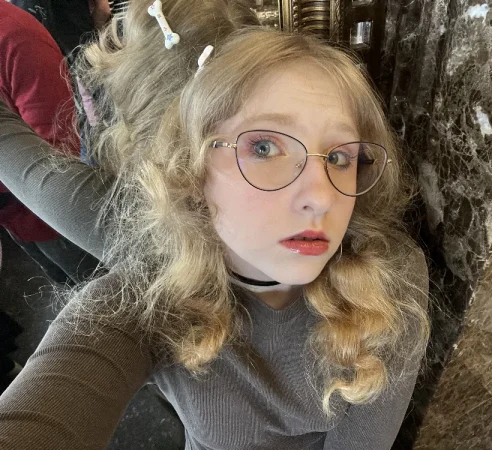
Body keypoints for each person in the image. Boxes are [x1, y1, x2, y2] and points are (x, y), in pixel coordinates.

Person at [0, 0, 430, 448]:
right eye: (263, 148)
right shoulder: (148, 285)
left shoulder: (383, 280)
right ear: (183, 164)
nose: (322, 197)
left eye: (340, 157)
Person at [0, 1, 99, 285]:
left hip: (48, 214)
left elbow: (58, 151)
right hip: (14, 215)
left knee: (93, 282)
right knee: (62, 279)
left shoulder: (15, 36)